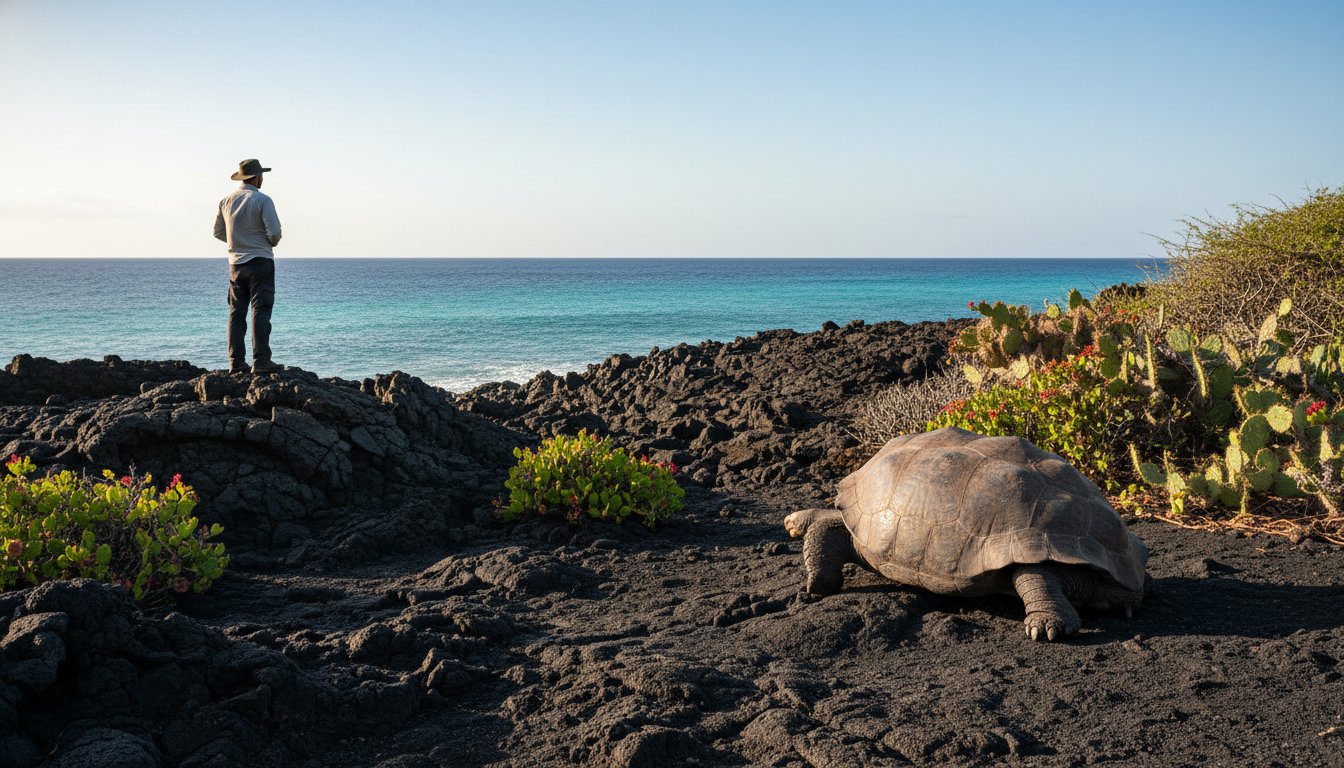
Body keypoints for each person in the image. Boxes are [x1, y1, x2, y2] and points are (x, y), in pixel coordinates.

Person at [214, 158, 283, 374]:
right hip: (260, 262)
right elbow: (274, 233)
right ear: (257, 177)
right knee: (260, 311)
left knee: (236, 314)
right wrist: (262, 242)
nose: (262, 178)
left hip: (235, 264)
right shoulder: (263, 200)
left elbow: (218, 232)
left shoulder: (226, 201)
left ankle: (236, 363)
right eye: (261, 175)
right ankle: (261, 361)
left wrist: (238, 241)